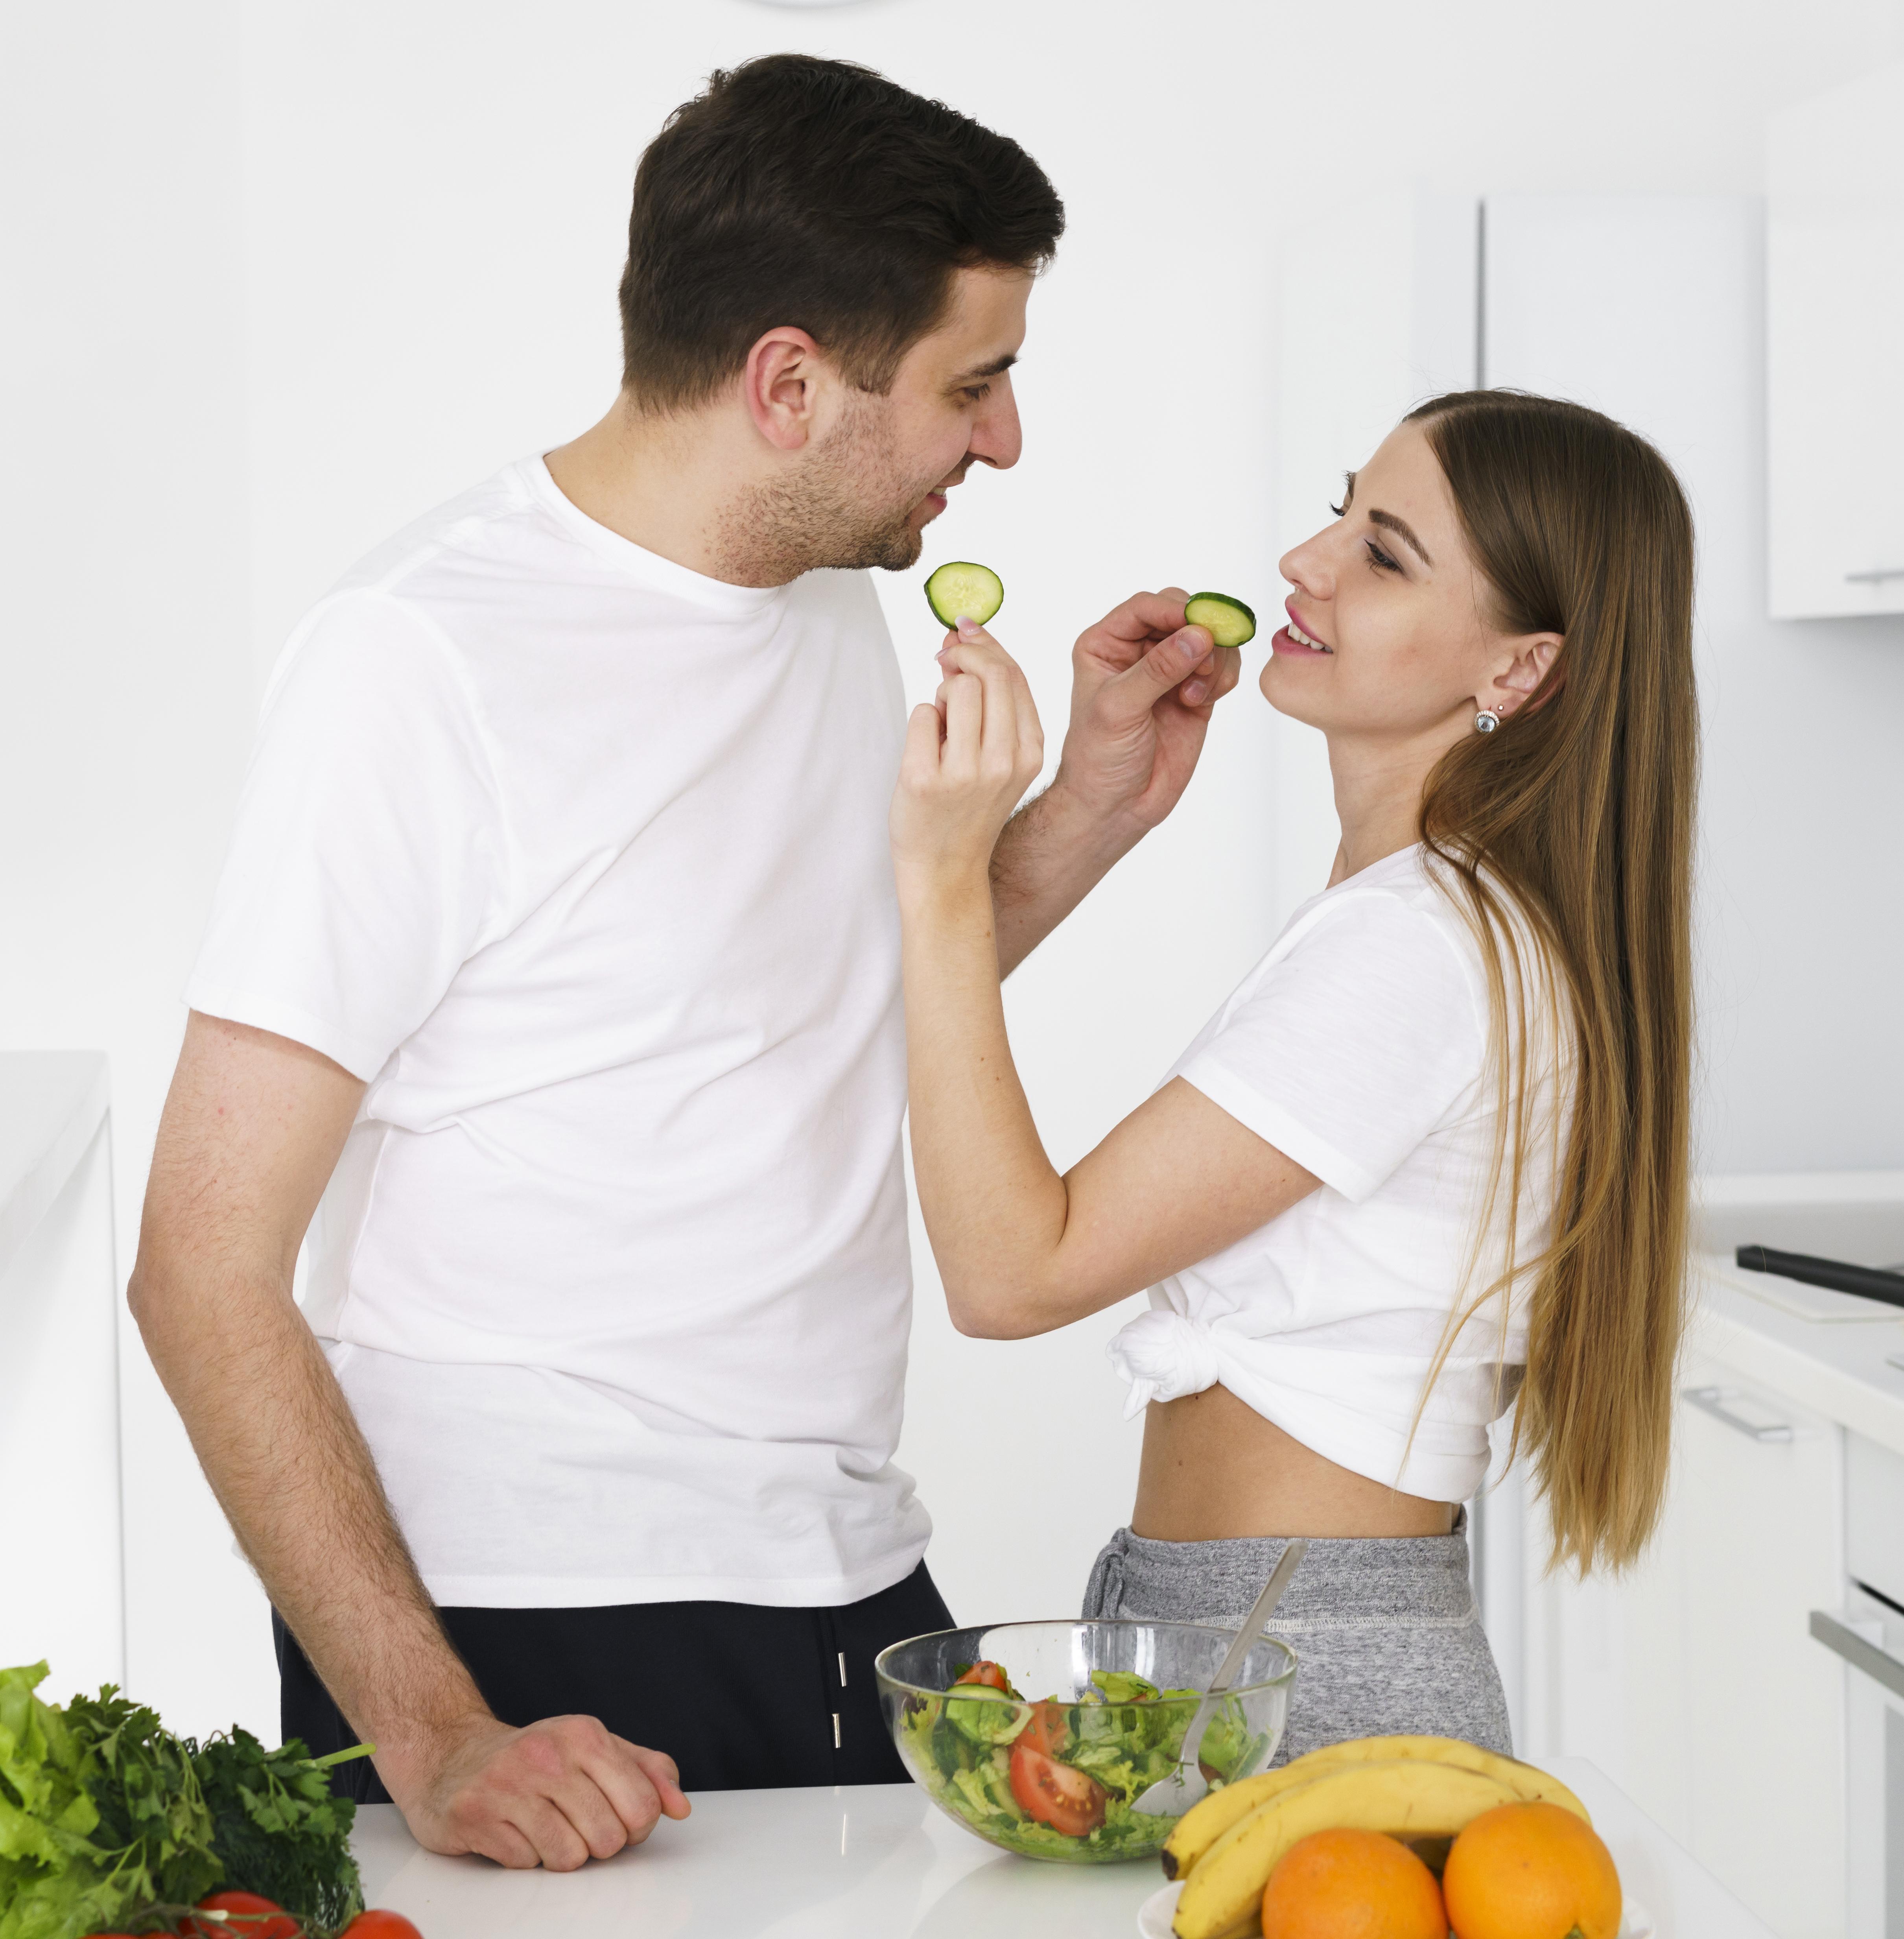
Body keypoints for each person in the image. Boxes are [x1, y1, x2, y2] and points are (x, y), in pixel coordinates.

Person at [127, 54, 1241, 1871]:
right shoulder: (415, 662)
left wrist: (1086, 816)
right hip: (519, 1622)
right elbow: (199, 1263)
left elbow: (813, 1006)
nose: (1007, 442)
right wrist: (434, 1734)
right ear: (788, 384)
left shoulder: (828, 600)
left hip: (841, 1570)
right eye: (973, 384)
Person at [890, 389, 1697, 1759]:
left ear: (1519, 669)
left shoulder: (1418, 945)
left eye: (1383, 554)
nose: (1304, 563)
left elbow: (1011, 1274)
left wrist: (942, 868)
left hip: (1304, 1656)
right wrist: (1092, 806)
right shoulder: (1427, 916)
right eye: (1340, 513)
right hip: (1251, 1623)